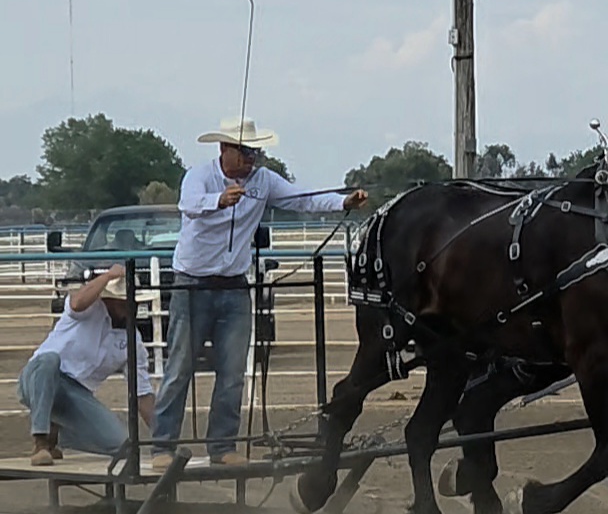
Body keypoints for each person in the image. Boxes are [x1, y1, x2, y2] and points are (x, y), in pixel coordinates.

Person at [151, 117, 368, 468]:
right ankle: (162, 446)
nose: (251, 158)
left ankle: (222, 446)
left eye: (254, 151)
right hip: (192, 284)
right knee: (180, 367)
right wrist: (218, 200)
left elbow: (302, 199)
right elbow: (188, 204)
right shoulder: (198, 176)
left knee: (233, 371)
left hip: (235, 285)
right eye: (244, 151)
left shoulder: (263, 181)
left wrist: (343, 202)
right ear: (224, 149)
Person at [17, 263, 155, 465]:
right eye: (124, 301)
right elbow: (77, 303)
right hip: (40, 377)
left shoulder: (133, 340)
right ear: (109, 301)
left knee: (122, 444)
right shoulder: (89, 309)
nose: (130, 307)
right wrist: (107, 277)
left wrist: (163, 436)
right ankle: (41, 441)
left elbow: (142, 393)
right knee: (48, 361)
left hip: (76, 393)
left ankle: (59, 430)